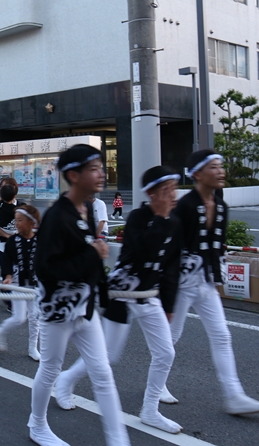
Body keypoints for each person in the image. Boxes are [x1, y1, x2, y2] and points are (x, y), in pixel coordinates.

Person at [55, 166, 184, 434]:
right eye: (167, 190)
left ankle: (150, 410)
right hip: (123, 293)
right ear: (152, 194)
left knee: (165, 352)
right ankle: (66, 379)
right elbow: (141, 253)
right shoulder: (138, 217)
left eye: (174, 189)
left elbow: (172, 267)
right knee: (108, 356)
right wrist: (160, 218)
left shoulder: (174, 221)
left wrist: (169, 305)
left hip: (150, 296)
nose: (173, 195)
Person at [28, 144, 128, 446]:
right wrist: (92, 254)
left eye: (101, 167)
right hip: (58, 310)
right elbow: (45, 269)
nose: (102, 174)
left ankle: (118, 440)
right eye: (94, 169)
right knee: (50, 368)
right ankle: (37, 425)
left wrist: (103, 295)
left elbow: (90, 262)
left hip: (85, 309)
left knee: (102, 372)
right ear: (74, 175)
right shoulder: (57, 216)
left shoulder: (87, 209)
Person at [162, 149, 259, 415]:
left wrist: (216, 278)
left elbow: (217, 248)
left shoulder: (221, 205)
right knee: (171, 336)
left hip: (205, 281)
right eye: (214, 167)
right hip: (182, 282)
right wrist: (168, 293)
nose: (220, 171)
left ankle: (233, 396)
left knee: (222, 335)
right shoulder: (185, 206)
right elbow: (171, 250)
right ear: (197, 174)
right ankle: (156, 386)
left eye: (221, 166)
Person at [0, 204, 42, 361]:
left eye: (20, 220)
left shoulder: (40, 240)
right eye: (16, 220)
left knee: (35, 317)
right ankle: (0, 331)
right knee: (19, 318)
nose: (16, 223)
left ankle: (33, 348)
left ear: (31, 223)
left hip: (35, 284)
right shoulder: (12, 240)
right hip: (17, 283)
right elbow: (7, 261)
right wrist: (7, 276)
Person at [0, 185, 19, 265]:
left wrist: (7, 235)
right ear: (14, 195)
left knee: (6, 270)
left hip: (2, 244)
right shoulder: (21, 207)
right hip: (16, 243)